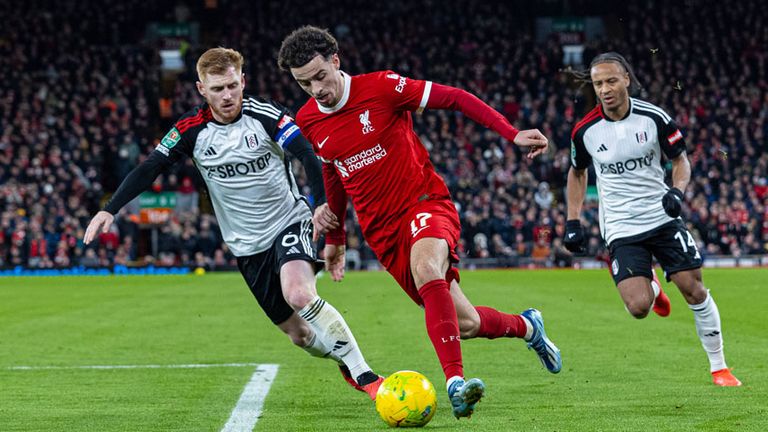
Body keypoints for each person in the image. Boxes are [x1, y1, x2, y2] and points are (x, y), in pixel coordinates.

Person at [278, 26, 562, 419]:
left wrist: (510, 134)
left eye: (319, 76)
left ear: (336, 61)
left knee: (426, 264)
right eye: (303, 83)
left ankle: (455, 384)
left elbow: (457, 98)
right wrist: (337, 238)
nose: (315, 89)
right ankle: (529, 327)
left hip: (424, 202)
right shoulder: (308, 120)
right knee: (465, 322)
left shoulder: (383, 87)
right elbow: (333, 174)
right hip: (382, 233)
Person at [83, 47, 384, 400]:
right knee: (300, 336)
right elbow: (151, 166)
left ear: (242, 81)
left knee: (299, 293)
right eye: (217, 89)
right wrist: (110, 209)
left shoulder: (266, 116)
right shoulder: (190, 131)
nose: (227, 96)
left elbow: (306, 153)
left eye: (231, 86)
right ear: (201, 90)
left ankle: (367, 376)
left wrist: (319, 205)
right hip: (246, 245)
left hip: (289, 221)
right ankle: (344, 358)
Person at [563, 52, 741, 387]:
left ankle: (719, 367)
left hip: (661, 216)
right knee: (638, 307)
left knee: (693, 288)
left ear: (626, 79)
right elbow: (577, 172)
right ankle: (654, 286)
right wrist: (573, 220)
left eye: (611, 80)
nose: (605, 89)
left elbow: (681, 161)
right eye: (598, 83)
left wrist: (677, 192)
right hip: (620, 226)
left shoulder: (654, 118)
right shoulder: (584, 131)